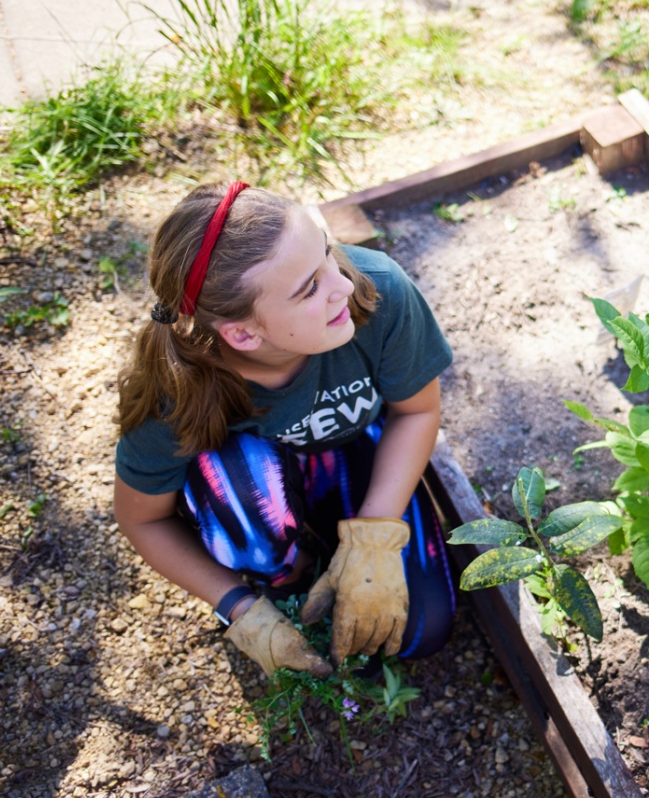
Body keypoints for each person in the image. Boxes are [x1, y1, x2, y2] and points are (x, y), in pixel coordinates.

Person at [113, 182, 456, 680]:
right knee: (239, 492)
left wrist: (375, 539)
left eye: (325, 252)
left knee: (422, 631)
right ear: (245, 334)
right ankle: (284, 578)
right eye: (309, 288)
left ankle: (339, 556)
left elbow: (417, 412)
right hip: (258, 485)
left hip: (358, 448)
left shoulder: (376, 288)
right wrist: (238, 607)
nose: (340, 283)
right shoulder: (176, 389)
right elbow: (142, 519)